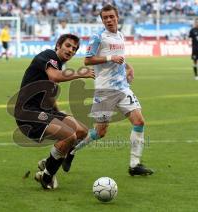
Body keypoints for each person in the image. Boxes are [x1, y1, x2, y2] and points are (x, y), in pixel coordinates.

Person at [62, 4, 153, 176]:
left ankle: (134, 165)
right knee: (100, 132)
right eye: (105, 18)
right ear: (102, 20)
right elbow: (87, 60)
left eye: (111, 16)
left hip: (123, 88)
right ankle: (72, 150)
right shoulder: (98, 37)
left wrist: (128, 67)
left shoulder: (120, 35)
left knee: (139, 122)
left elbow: (120, 57)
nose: (109, 20)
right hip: (105, 90)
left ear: (117, 17)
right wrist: (111, 57)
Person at [15, 34, 95, 189]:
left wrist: (59, 114)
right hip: (28, 113)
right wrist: (80, 73)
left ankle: (49, 162)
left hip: (43, 111)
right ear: (58, 45)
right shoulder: (48, 56)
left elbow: (50, 95)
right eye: (68, 46)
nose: (71, 50)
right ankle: (46, 177)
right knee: (69, 135)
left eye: (74, 49)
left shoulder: (58, 65)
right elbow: (55, 76)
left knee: (82, 131)